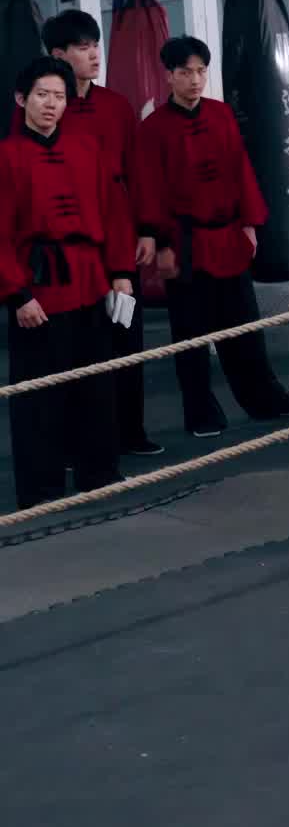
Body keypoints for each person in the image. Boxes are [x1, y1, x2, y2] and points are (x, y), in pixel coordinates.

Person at [135, 35, 289, 437]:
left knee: (244, 326)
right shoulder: (153, 129)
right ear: (169, 76)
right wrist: (162, 244)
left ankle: (265, 399)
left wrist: (250, 224)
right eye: (186, 72)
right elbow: (149, 188)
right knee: (190, 334)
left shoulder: (220, 115)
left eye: (201, 71)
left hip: (229, 236)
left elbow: (241, 170)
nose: (195, 80)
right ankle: (200, 412)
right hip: (185, 243)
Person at [0, 57, 132, 509]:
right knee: (38, 393)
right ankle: (41, 488)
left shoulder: (86, 148)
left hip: (90, 279)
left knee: (96, 385)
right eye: (42, 95)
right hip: (38, 287)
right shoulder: (6, 156)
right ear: (21, 99)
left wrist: (121, 272)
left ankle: (100, 472)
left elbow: (114, 211)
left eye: (59, 96)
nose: (51, 104)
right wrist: (18, 293)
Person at [34, 10, 163, 457]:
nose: (94, 55)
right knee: (77, 345)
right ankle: (78, 443)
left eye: (96, 46)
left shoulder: (116, 105)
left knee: (126, 334)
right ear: (58, 55)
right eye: (83, 47)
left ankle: (130, 431)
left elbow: (138, 171)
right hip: (70, 242)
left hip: (120, 234)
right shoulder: (45, 109)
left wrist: (147, 230)